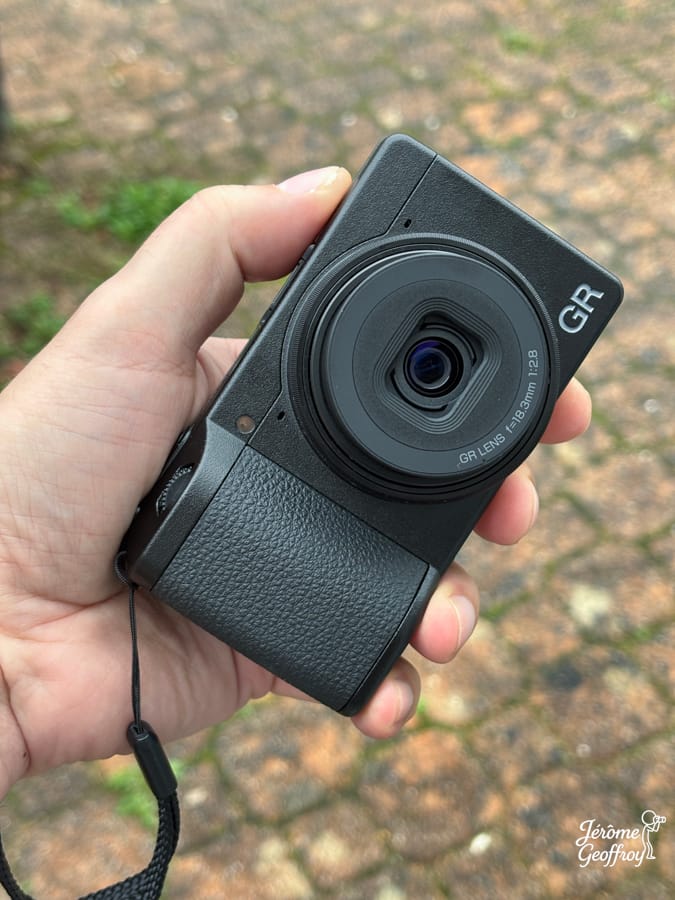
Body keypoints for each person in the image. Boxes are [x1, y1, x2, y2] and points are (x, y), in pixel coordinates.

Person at [0, 165, 591, 801]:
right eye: (426, 364)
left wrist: (21, 694)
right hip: (236, 479)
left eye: (435, 370)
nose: (431, 370)